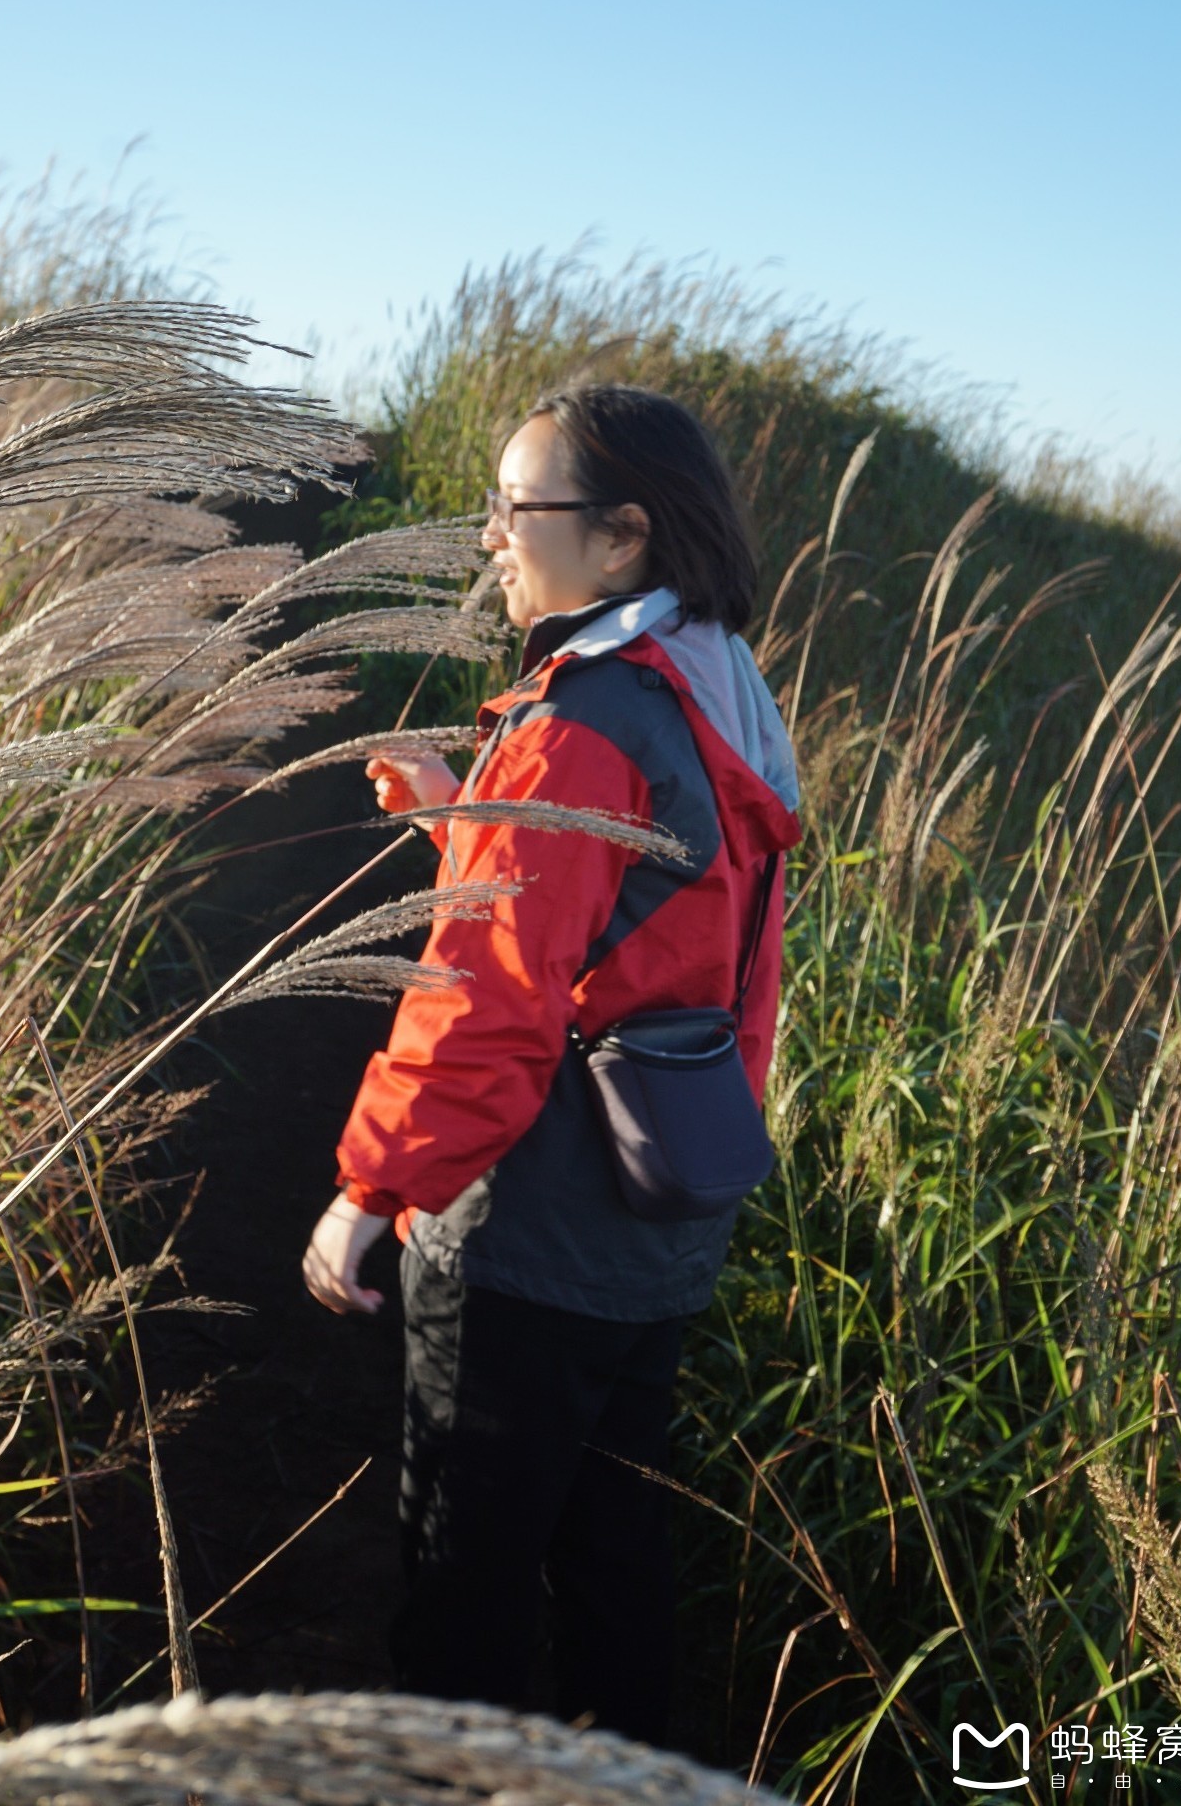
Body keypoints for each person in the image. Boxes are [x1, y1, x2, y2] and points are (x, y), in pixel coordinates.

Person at [302, 383, 800, 1745]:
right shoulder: (712, 689)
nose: (489, 540)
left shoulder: (582, 720)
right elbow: (656, 932)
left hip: (534, 1233)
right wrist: (473, 824)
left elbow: (486, 1004)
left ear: (624, 535)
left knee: (462, 1581)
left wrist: (372, 1190)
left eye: (517, 509)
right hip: (659, 1219)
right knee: (610, 1559)